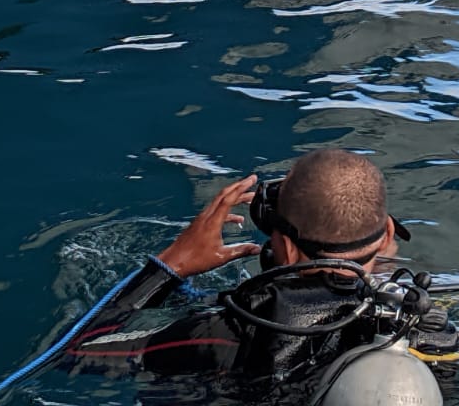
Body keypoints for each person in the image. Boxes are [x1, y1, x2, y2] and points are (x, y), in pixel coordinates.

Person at [57, 150, 433, 385]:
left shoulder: (231, 335)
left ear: (286, 246)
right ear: (387, 233)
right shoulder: (419, 323)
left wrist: (170, 265)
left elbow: (75, 354)